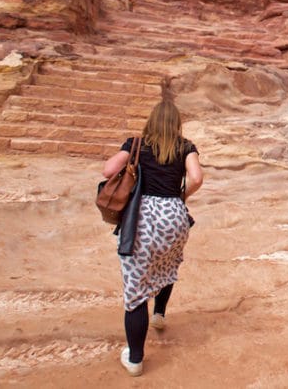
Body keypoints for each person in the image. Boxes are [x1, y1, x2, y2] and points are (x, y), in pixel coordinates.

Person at [102, 97, 203, 377]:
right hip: (174, 216)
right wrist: (180, 197)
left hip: (142, 218)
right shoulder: (186, 147)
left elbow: (108, 171)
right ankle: (159, 313)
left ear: (151, 121)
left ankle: (135, 359)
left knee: (136, 289)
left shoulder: (136, 144)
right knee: (167, 264)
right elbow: (196, 177)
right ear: (176, 124)